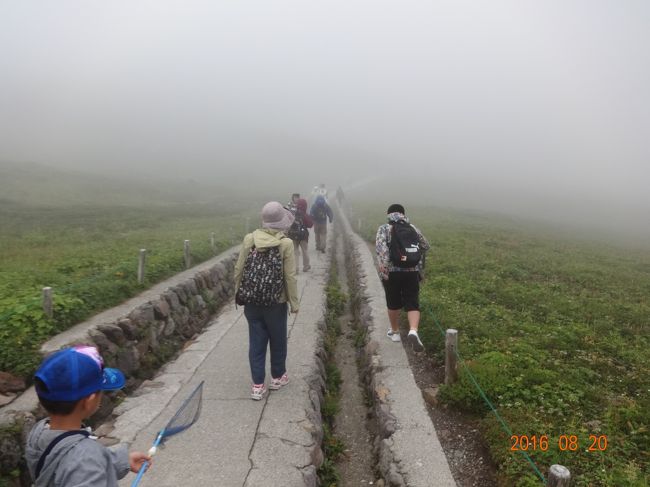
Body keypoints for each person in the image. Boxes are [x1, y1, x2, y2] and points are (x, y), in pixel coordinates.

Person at [25, 345, 151, 487]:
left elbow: (67, 463)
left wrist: (121, 461)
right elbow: (82, 463)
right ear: (89, 401)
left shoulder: (39, 432)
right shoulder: (85, 457)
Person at [234, 201, 299, 400]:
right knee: (278, 339)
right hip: (275, 302)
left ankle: (257, 385)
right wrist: (294, 303)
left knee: (256, 341)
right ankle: (278, 377)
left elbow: (239, 268)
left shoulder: (250, 239)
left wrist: (239, 295)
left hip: (252, 302)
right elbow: (290, 277)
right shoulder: (285, 243)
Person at [375, 204, 430, 352]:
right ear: (403, 214)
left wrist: (384, 272)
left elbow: (382, 252)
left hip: (393, 272)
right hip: (412, 271)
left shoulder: (384, 229)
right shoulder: (412, 228)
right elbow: (425, 246)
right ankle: (413, 330)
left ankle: (395, 332)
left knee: (393, 301)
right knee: (412, 302)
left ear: (389, 215)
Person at [287, 198, 313, 272]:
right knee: (305, 250)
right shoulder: (305, 214)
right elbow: (310, 225)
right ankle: (306, 266)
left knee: (295, 251)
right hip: (303, 235)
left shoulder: (292, 213)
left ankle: (296, 268)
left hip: (292, 235)